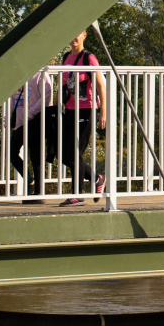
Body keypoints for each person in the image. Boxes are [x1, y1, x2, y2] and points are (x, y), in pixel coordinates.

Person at [57, 29, 107, 206]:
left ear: (84, 34)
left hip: (86, 109)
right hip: (69, 109)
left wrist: (103, 112)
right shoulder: (65, 58)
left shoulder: (89, 58)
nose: (73, 38)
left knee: (75, 153)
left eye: (77, 33)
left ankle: (77, 194)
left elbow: (100, 85)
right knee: (63, 154)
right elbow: (64, 84)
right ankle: (96, 178)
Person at [9, 66, 53, 202]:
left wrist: (31, 112)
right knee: (12, 152)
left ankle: (38, 192)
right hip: (20, 123)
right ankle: (29, 180)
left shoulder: (40, 74)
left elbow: (47, 97)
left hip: (35, 122)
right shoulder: (17, 75)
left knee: (35, 155)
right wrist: (10, 119)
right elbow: (11, 99)